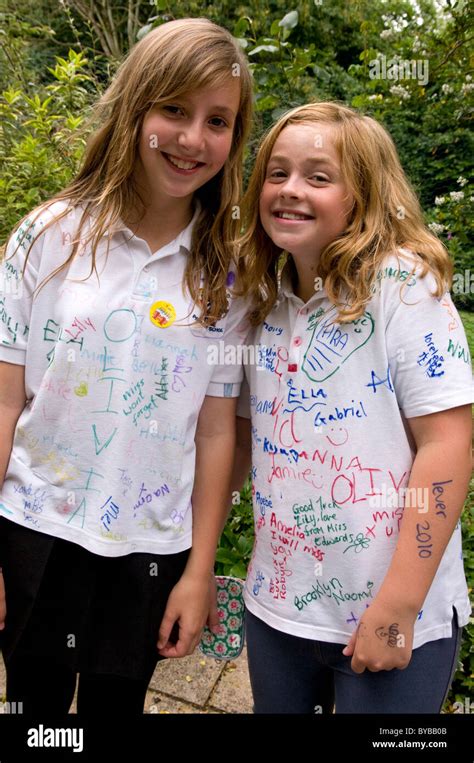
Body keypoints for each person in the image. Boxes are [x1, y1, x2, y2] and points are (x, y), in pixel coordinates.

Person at [0, 17, 253, 716]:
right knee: (34, 713)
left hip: (153, 548)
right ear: (136, 105)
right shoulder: (48, 234)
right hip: (35, 529)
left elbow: (215, 434)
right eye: (174, 109)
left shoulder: (226, 276)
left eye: (218, 120)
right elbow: (3, 401)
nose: (192, 138)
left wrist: (200, 569)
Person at [233, 101, 473, 713]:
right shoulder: (263, 300)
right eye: (277, 172)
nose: (290, 191)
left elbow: (448, 447)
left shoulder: (404, 287)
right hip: (279, 609)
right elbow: (236, 441)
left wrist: (398, 604)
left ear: (363, 195)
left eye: (318, 176)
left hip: (392, 616)